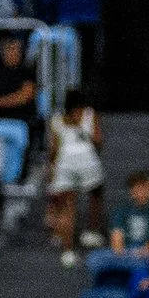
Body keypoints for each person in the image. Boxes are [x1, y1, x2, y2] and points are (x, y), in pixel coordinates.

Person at [45, 94, 106, 267]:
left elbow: (53, 149)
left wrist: (51, 169)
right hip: (86, 159)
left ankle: (67, 252)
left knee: (67, 207)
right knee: (96, 193)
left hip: (65, 162)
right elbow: (98, 140)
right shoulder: (89, 114)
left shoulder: (56, 120)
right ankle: (91, 232)